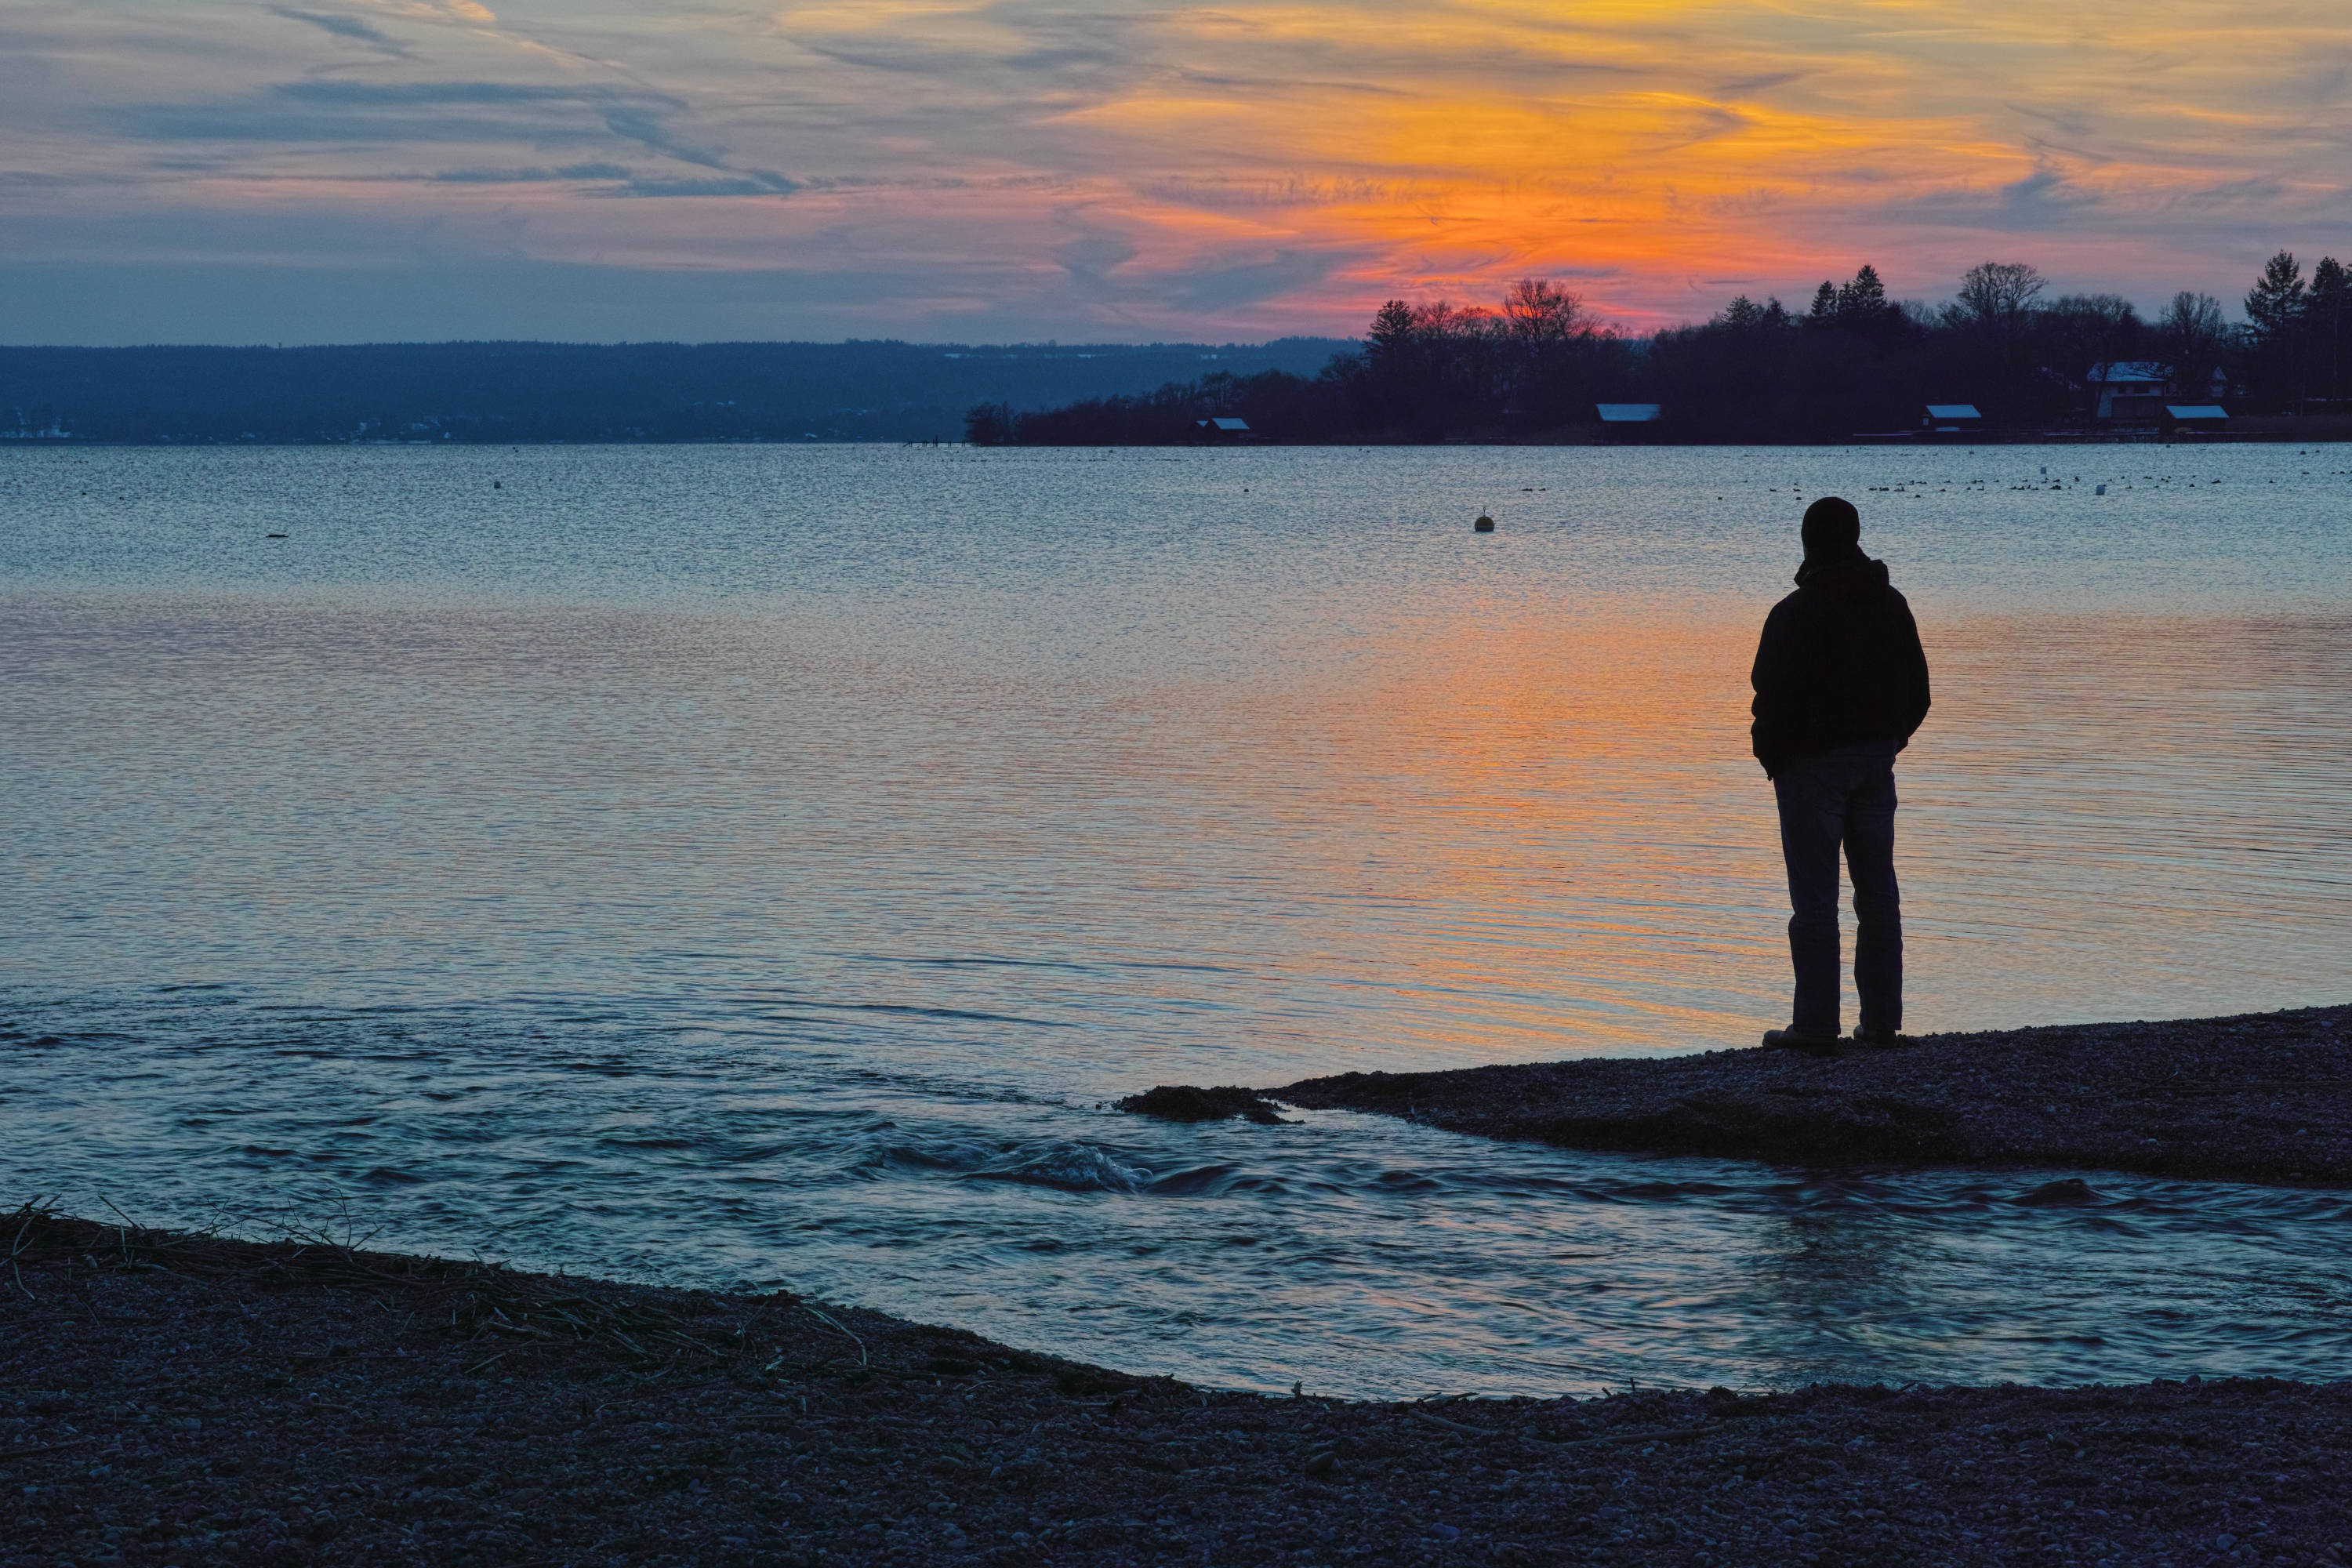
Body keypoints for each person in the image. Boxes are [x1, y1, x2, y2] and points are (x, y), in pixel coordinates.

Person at [1750, 496, 1931, 1052]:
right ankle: (1880, 1022)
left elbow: (1770, 695)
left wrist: (1774, 756)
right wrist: (1890, 741)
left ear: (1810, 543)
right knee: (1878, 895)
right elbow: (1919, 692)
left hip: (1810, 768)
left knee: (1815, 902)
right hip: (1874, 762)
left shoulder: (1796, 613)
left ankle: (1815, 1026)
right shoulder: (1891, 604)